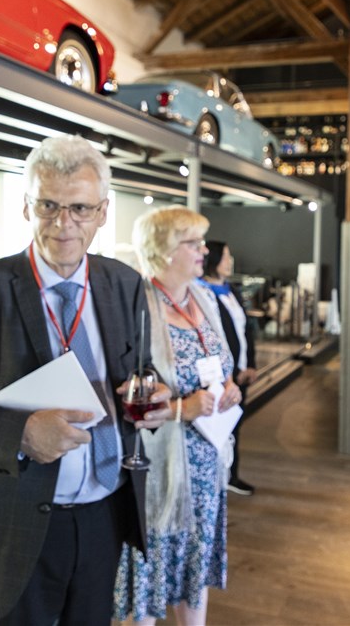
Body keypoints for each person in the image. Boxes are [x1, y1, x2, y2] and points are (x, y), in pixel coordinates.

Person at [0, 134, 170, 626]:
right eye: (48, 206)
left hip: (107, 508)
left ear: (102, 211)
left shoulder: (124, 283)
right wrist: (21, 433)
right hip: (16, 516)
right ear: (27, 206)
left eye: (79, 209)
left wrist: (154, 394)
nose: (63, 224)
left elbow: (141, 371)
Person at [114, 206, 242, 625]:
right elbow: (127, 399)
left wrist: (230, 387)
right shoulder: (140, 307)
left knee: (195, 569)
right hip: (162, 469)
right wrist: (181, 410)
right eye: (194, 243)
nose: (204, 250)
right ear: (165, 250)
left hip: (208, 464)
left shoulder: (203, 298)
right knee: (153, 574)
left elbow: (222, 365)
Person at [201, 240, 258, 495]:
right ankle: (222, 477)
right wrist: (230, 373)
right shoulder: (202, 293)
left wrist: (250, 365)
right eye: (225, 256)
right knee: (220, 426)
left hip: (240, 371)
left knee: (235, 424)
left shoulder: (230, 290)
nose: (229, 261)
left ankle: (231, 474)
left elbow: (244, 330)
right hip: (223, 375)